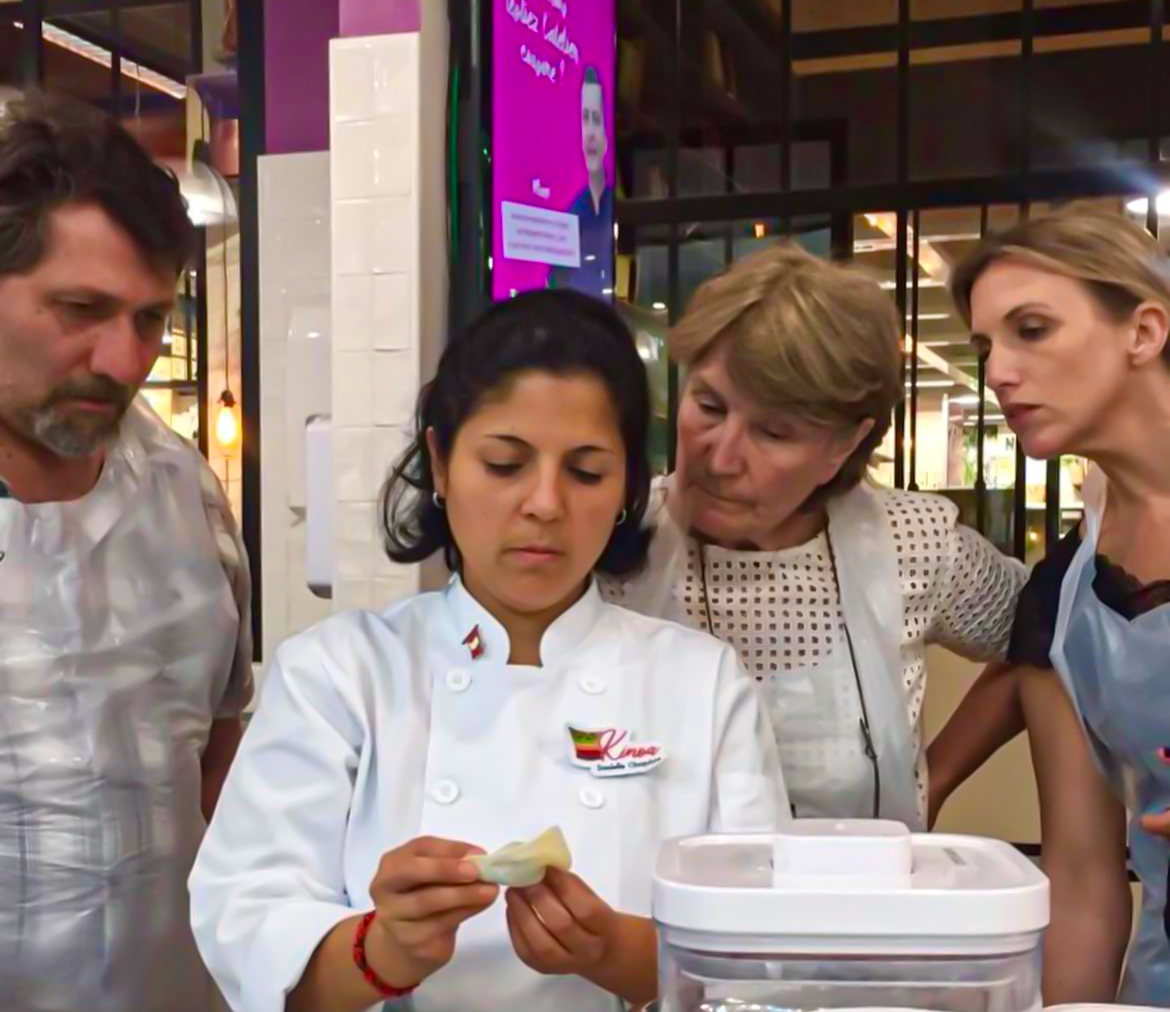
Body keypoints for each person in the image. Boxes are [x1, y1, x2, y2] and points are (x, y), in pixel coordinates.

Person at [189, 290, 787, 1012]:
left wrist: (618, 955)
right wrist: (382, 950)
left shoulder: (702, 685)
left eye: (587, 472)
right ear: (441, 464)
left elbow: (765, 959)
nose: (545, 503)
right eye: (505, 464)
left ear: (628, 488)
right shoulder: (340, 673)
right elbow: (248, 930)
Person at [603, 241, 1027, 829]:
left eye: (773, 433)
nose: (720, 458)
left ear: (844, 445)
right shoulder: (611, 540)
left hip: (857, 888)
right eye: (709, 406)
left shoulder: (913, 543)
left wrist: (935, 779)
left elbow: (1053, 636)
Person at [0, 95, 252, 1011]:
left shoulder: (184, 494)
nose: (123, 359)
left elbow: (220, 756)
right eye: (81, 309)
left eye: (150, 319)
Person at [933, 204, 1170, 1004]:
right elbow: (1081, 881)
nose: (998, 371)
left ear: (1144, 331)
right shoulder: (1066, 597)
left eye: (1031, 330)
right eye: (985, 348)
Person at [548, 67, 614, 299]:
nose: (591, 133)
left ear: (607, 133)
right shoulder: (573, 216)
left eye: (596, 119)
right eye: (585, 119)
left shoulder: (616, 207)